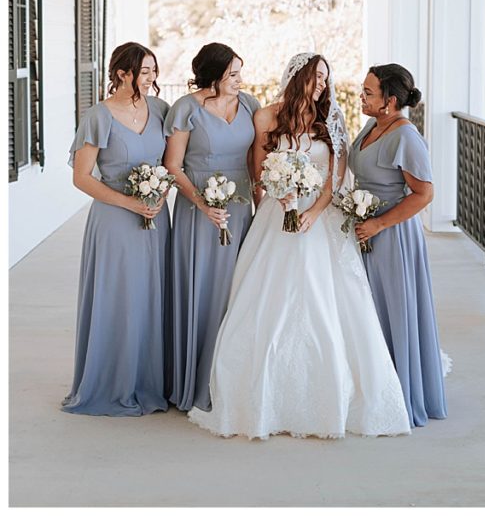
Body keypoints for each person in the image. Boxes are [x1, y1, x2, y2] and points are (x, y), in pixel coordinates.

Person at [188, 53, 409, 439]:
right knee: (264, 306)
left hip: (319, 220)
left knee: (325, 305)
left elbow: (334, 177)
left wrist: (311, 212)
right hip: (277, 216)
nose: (324, 85)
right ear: (300, 77)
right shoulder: (265, 117)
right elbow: (258, 172)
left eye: (327, 78)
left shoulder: (332, 120)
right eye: (318, 77)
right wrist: (281, 197)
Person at [64, 42, 172, 416]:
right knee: (119, 299)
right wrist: (130, 203)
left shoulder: (159, 109)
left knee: (151, 298)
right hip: (114, 219)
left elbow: (172, 162)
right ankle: (111, 383)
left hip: (156, 219)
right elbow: (81, 178)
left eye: (154, 70)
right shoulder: (98, 116)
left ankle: (149, 381)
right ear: (123, 74)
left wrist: (160, 196)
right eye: (145, 71)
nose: (152, 77)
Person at [348, 64, 448, 428]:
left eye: (369, 92)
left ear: (390, 101)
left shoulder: (405, 136)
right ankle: (374, 386)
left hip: (391, 236)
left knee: (392, 310)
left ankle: (400, 391)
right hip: (364, 230)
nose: (362, 96)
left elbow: (425, 194)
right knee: (367, 310)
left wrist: (378, 223)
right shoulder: (374, 125)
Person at [163, 43, 260, 411]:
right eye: (232, 74)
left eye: (240, 72)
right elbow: (173, 165)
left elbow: (255, 159)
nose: (239, 80)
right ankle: (195, 380)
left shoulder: (249, 104)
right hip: (198, 212)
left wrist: (263, 201)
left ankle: (231, 380)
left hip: (240, 207)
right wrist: (203, 204)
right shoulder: (186, 109)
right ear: (214, 76)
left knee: (240, 292)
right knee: (203, 293)